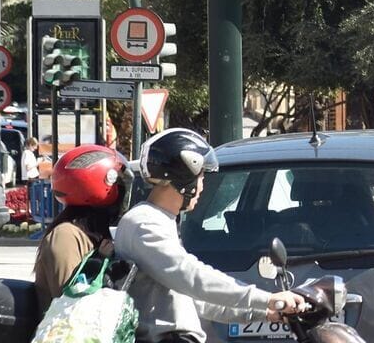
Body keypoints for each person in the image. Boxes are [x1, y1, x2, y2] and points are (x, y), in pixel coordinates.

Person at [114, 128, 304, 343]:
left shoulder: (160, 220)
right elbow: (192, 277)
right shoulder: (144, 223)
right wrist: (266, 298)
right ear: (184, 180)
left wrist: (265, 313)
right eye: (201, 176)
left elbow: (195, 299)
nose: (203, 185)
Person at [33, 145, 133, 313]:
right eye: (121, 187)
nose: (124, 196)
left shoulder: (94, 234)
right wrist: (99, 260)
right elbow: (70, 303)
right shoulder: (66, 236)